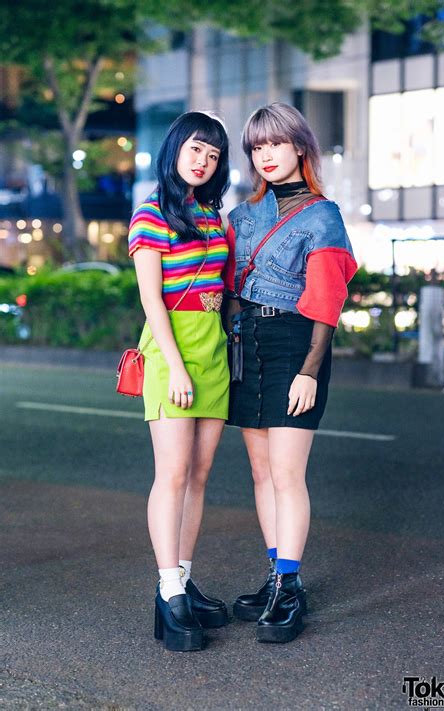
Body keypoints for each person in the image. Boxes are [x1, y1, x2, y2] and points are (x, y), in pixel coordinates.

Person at [224, 103, 358, 643]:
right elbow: (228, 285)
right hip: (247, 342)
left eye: (275, 144)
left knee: (286, 472)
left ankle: (290, 585)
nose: (266, 156)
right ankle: (276, 574)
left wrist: (310, 369)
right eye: (257, 147)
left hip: (296, 343)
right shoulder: (242, 215)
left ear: (300, 147)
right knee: (260, 471)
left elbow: (327, 300)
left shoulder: (324, 216)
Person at [128, 111, 232, 652]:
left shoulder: (213, 215)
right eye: (196, 149)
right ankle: (168, 594)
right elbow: (151, 299)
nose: (203, 161)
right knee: (171, 474)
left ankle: (184, 583)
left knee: (199, 473)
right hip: (173, 351)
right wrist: (176, 364)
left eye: (213, 155)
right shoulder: (150, 216)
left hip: (212, 348)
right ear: (174, 150)